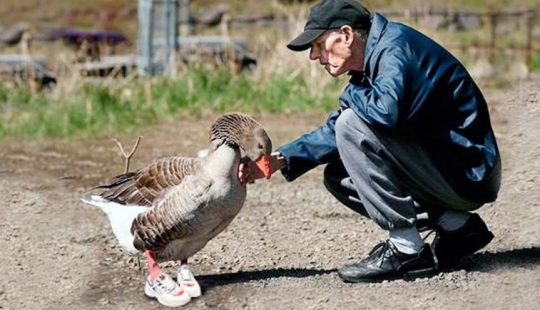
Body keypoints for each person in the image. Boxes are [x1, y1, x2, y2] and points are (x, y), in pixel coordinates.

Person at [240, 0, 501, 283]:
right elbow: (338, 130)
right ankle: (458, 227)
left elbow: (384, 113)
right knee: (340, 175)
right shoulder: (376, 57)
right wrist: (278, 160)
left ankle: (406, 250)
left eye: (317, 44)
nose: (314, 56)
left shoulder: (395, 49)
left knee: (350, 123)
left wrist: (349, 100)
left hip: (468, 172)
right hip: (449, 166)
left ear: (347, 35)